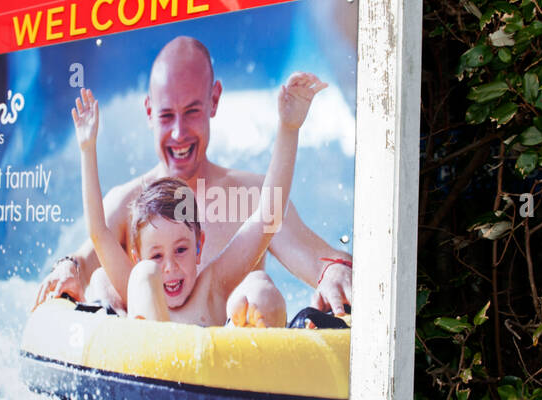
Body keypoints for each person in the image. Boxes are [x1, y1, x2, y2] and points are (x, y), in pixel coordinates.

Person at [34, 36, 354, 316]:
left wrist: (332, 271)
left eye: (191, 112)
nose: (179, 133)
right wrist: (68, 268)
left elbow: (317, 257)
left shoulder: (251, 197)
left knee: (259, 286)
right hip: (144, 355)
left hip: (232, 358)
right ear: (149, 112)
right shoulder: (127, 203)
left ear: (213, 101)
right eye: (166, 115)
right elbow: (88, 253)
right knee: (104, 282)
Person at [69, 71, 322, 325]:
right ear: (136, 257)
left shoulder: (211, 289)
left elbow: (268, 215)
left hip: (220, 347)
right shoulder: (134, 287)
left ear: (199, 247)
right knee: (130, 276)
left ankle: (246, 327)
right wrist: (87, 149)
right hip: (146, 344)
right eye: (156, 256)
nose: (170, 267)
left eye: (181, 250)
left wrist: (289, 128)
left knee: (260, 286)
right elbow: (98, 232)